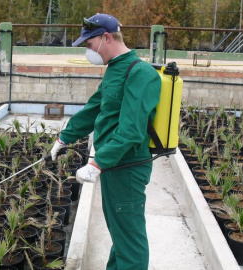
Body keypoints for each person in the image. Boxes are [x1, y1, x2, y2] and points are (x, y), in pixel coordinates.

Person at [50, 13, 161, 270]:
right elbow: (96, 107)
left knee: (130, 238)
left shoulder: (140, 73)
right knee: (119, 230)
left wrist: (97, 163)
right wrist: (64, 137)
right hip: (114, 164)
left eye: (89, 44)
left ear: (106, 37)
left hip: (128, 167)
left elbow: (132, 130)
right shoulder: (115, 68)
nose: (88, 50)